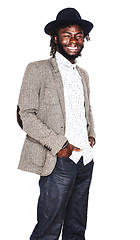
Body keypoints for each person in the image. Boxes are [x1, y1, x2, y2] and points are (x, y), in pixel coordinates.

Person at [17, 7, 96, 240]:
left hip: (85, 160)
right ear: (55, 37)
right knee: (49, 230)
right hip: (58, 160)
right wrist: (60, 145)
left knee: (76, 229)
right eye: (67, 34)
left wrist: (92, 135)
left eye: (78, 35)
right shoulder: (38, 69)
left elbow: (86, 108)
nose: (73, 40)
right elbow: (25, 115)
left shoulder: (83, 74)